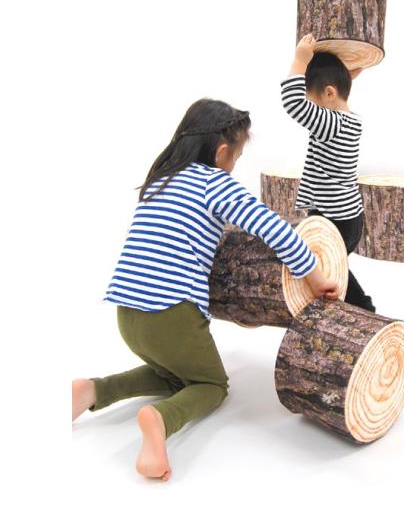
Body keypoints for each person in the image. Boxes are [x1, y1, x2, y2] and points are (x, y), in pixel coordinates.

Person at [72, 98, 339, 481]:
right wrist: (313, 274)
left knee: (173, 375)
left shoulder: (161, 179)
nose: (235, 165)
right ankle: (161, 419)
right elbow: (271, 226)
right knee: (211, 385)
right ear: (221, 152)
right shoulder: (214, 182)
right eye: (237, 157)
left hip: (127, 313)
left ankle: (93, 391)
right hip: (171, 314)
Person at [281, 33, 376, 312]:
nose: (310, 108)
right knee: (334, 263)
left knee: (326, 265)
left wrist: (300, 61)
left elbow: (292, 102)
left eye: (312, 100)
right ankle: (353, 304)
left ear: (330, 94)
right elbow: (329, 93)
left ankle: (362, 307)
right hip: (350, 215)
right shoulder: (350, 120)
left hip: (333, 217)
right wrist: (346, 75)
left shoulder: (330, 123)